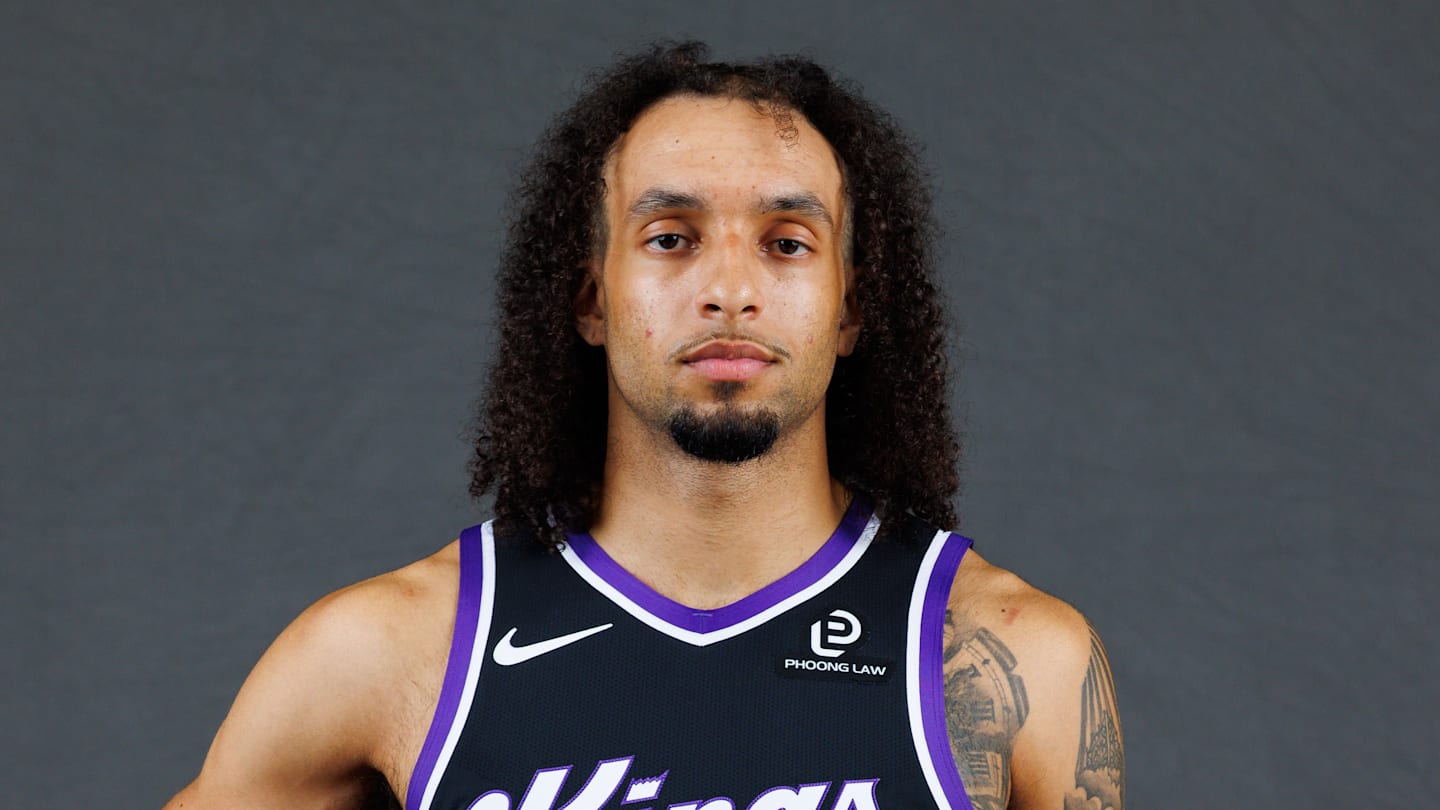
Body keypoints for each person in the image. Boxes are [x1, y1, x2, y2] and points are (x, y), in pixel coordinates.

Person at [165, 41, 1123, 810]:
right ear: (590, 297)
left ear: (850, 309)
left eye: (787, 244)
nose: (730, 291)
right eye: (672, 238)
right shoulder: (388, 652)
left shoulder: (1015, 658)